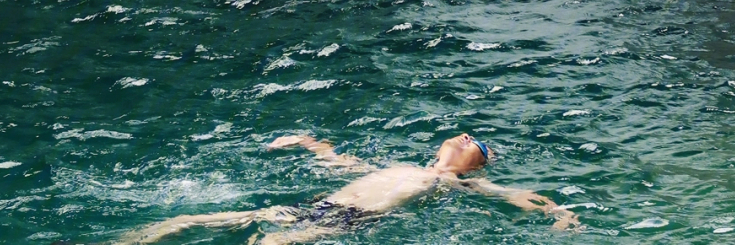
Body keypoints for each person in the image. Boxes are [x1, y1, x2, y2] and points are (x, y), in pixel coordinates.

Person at [109, 132, 581, 242]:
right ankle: (138, 237)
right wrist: (306, 141)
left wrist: (559, 212)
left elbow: (517, 197)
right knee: (206, 219)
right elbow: (338, 161)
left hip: (353, 219)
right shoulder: (399, 163)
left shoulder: (454, 184)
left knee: (270, 242)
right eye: (460, 132)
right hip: (325, 203)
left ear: (475, 164)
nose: (463, 137)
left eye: (473, 142)